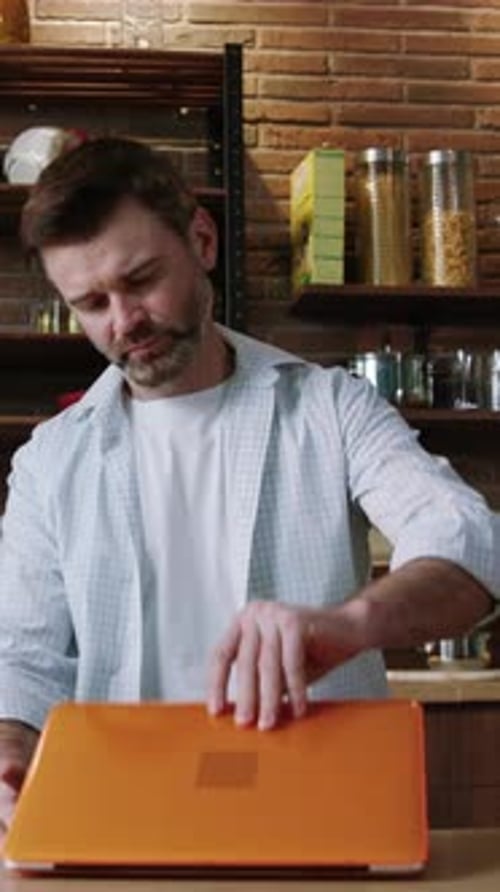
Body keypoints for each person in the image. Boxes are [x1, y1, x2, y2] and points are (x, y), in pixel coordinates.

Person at [0, 137, 498, 837]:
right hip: (119, 821)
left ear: (201, 240)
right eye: (90, 303)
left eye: (141, 279)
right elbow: (22, 653)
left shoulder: (332, 408)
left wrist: (349, 625)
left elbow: (470, 543)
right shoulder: (50, 461)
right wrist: (11, 749)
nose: (123, 322)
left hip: (319, 818)